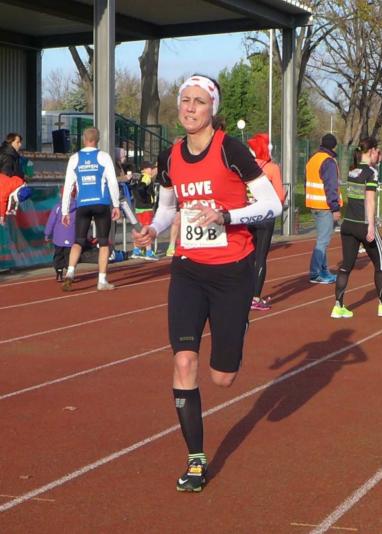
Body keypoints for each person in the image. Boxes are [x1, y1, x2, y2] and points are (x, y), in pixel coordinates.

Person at [132, 74, 282, 493]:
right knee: (183, 361)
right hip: (188, 269)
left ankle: (237, 328)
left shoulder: (231, 149)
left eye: (199, 101)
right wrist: (153, 229)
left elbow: (271, 204)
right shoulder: (170, 155)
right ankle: (196, 459)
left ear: (212, 108)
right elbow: (167, 207)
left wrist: (227, 216)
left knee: (223, 378)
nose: (190, 108)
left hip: (232, 270)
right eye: (185, 100)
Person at [331, 137, 382, 319]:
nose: (378, 154)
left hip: (348, 224)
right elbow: (370, 200)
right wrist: (371, 225)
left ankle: (338, 306)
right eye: (377, 151)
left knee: (346, 266)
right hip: (363, 225)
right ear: (371, 151)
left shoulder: (352, 170)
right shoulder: (371, 173)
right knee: (380, 265)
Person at [59, 127, 121, 291]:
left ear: (84, 139)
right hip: (101, 204)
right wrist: (116, 205)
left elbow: (68, 186)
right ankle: (102, 280)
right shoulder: (104, 157)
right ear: (97, 140)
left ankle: (70, 272)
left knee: (78, 241)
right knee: (103, 242)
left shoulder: (74, 158)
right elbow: (112, 182)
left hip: (83, 204)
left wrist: (65, 211)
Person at [247, 132, 286, 311]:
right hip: (265, 217)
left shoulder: (246, 165)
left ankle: (243, 293)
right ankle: (255, 297)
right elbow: (280, 196)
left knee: (246, 255)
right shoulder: (272, 168)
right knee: (260, 257)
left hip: (246, 215)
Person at [306, 133, 341, 284]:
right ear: (334, 146)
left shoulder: (313, 159)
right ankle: (315, 273)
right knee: (323, 241)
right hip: (324, 206)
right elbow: (331, 186)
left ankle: (323, 270)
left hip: (313, 204)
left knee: (322, 240)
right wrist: (335, 207)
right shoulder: (328, 161)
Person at [45, 188, 78, 281]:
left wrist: (47, 233)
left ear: (61, 195)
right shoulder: (78, 207)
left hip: (58, 237)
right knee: (69, 255)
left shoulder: (58, 207)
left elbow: (51, 222)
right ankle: (69, 272)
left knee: (58, 255)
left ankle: (59, 273)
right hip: (72, 236)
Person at [130, 161, 159, 260]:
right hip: (146, 208)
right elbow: (141, 188)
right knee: (147, 229)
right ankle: (148, 252)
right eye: (150, 168)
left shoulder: (138, 177)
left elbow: (136, 188)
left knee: (139, 228)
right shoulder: (146, 177)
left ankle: (136, 250)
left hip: (138, 207)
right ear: (145, 169)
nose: (152, 170)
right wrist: (145, 198)